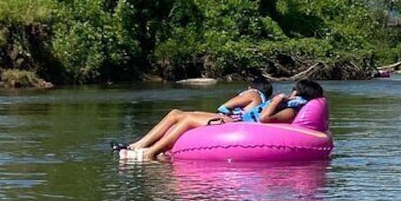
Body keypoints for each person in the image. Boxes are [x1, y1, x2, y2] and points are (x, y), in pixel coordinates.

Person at [117, 78, 324, 161]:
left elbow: (264, 118)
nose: (289, 93)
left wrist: (278, 99)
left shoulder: (291, 112)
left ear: (299, 95)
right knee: (176, 113)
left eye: (293, 91)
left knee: (188, 120)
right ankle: (138, 145)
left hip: (242, 127)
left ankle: (150, 154)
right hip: (239, 122)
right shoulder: (286, 106)